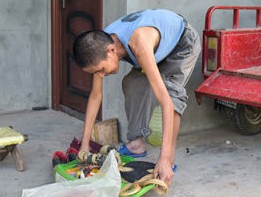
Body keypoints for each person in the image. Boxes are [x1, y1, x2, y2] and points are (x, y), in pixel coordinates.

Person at [72, 10, 201, 187]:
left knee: (172, 93)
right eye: (95, 72)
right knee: (133, 83)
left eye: (101, 70)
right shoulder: (98, 46)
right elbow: (95, 96)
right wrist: (84, 144)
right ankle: (135, 144)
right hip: (156, 48)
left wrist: (163, 158)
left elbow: (166, 102)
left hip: (181, 43)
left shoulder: (138, 43)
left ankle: (168, 162)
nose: (101, 75)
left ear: (112, 50)